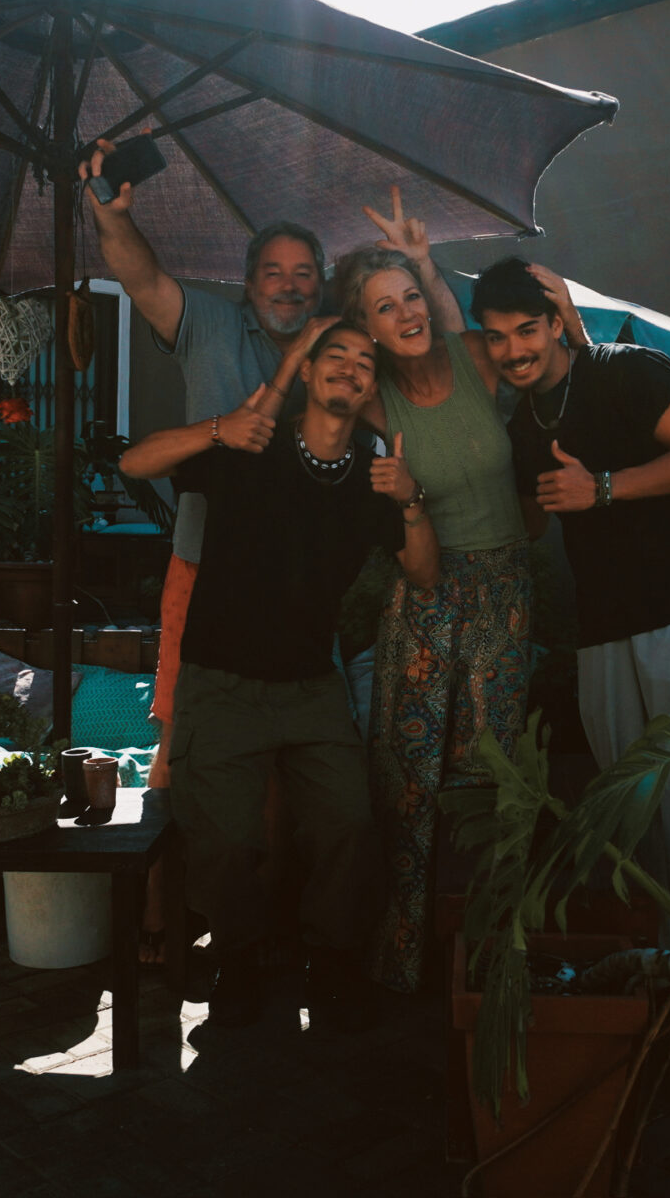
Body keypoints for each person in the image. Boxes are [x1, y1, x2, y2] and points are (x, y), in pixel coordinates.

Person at [79, 141, 442, 960]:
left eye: (303, 273)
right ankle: (165, 916)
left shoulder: (345, 355)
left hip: (306, 591)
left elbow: (410, 406)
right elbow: (140, 277)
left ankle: (268, 931)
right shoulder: (210, 323)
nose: (288, 284)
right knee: (185, 745)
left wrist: (410, 491)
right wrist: (112, 212)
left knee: (295, 766)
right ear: (249, 285)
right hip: (206, 567)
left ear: (322, 285)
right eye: (272, 272)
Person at [475, 255, 670, 1100]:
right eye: (496, 337)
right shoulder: (525, 420)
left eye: (526, 330)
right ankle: (664, 1003)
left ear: (555, 321)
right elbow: (532, 521)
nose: (513, 350)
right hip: (605, 633)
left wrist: (601, 488)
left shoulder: (628, 369)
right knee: (631, 820)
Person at [117, 323, 439, 1029]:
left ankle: (329, 959)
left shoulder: (371, 478)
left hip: (310, 686)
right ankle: (239, 954)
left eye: (364, 362)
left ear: (371, 387)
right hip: (221, 681)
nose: (350, 368)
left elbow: (423, 572)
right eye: (336, 356)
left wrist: (410, 498)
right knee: (227, 841)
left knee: (349, 825)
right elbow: (136, 462)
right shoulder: (250, 448)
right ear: (310, 372)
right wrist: (218, 428)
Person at [332, 246, 532, 994]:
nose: (406, 314)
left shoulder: (477, 357)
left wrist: (422, 261)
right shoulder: (376, 398)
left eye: (411, 296)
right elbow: (319, 377)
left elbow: (510, 345)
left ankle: (483, 963)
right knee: (406, 780)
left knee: (491, 781)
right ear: (367, 328)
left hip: (504, 595)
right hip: (425, 593)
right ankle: (399, 962)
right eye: (384, 307)